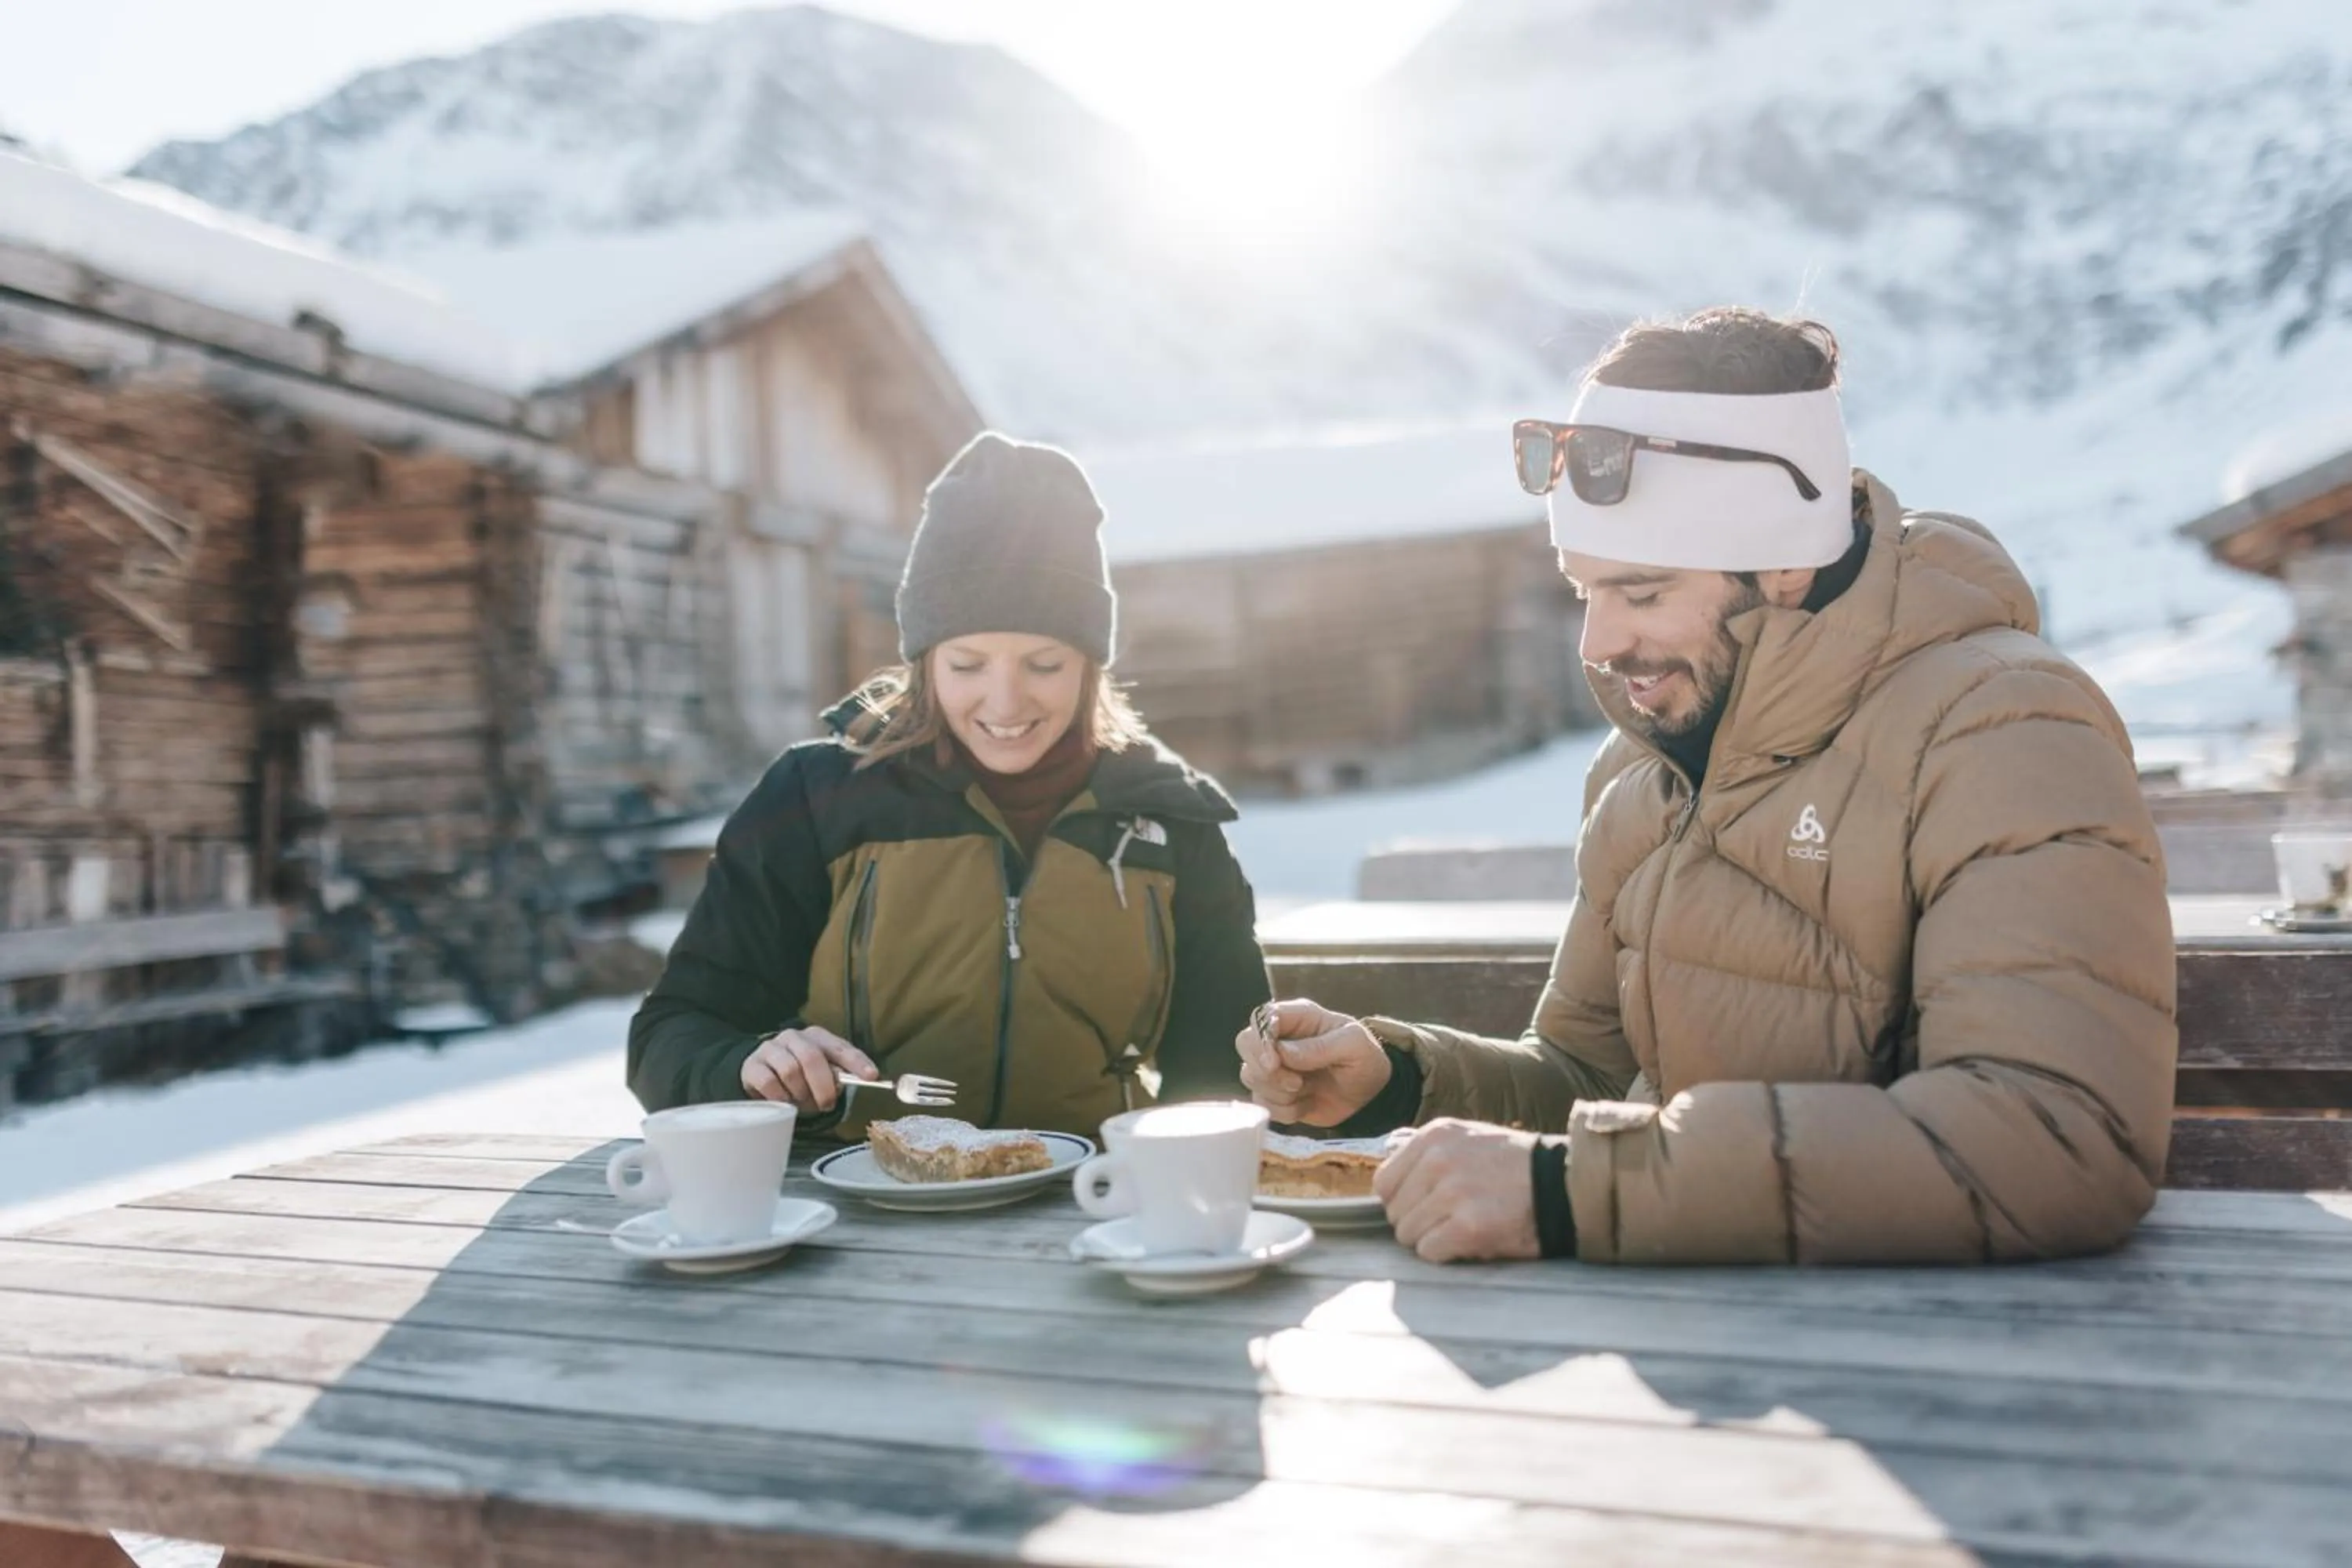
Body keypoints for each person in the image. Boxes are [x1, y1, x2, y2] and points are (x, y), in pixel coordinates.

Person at [1239, 308, 2177, 1266]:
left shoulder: (2002, 726)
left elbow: (2053, 1136)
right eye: (1584, 591)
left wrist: (1577, 1193)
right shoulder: (1646, 763)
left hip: (1945, 1357)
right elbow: (1590, 1079)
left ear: (1783, 561)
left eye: (1641, 593)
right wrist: (1401, 1078)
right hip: (1693, 1334)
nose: (1596, 644)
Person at [633, 431, 1272, 1139]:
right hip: (853, 1206)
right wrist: (747, 1066)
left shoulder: (1166, 816)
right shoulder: (815, 798)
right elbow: (671, 1036)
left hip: (1087, 1205)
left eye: (1045, 665)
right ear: (923, 661)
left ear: (1091, 666)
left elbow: (1222, 1067)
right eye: (968, 664)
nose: (1005, 704)